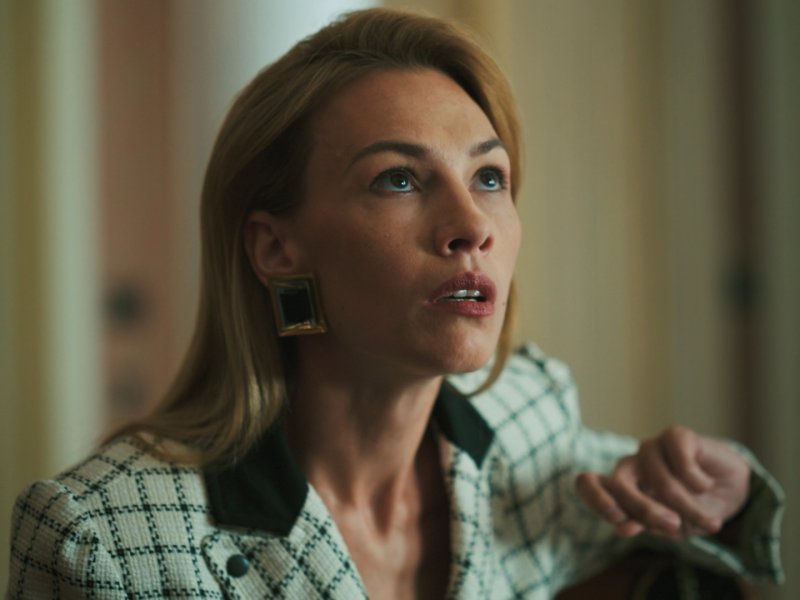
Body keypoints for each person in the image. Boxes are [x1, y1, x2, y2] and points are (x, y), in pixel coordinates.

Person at [7, 8, 783, 599]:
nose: (471, 226)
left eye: (488, 177)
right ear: (276, 248)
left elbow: (692, 524)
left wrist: (734, 491)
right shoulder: (103, 539)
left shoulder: (529, 418)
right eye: (399, 180)